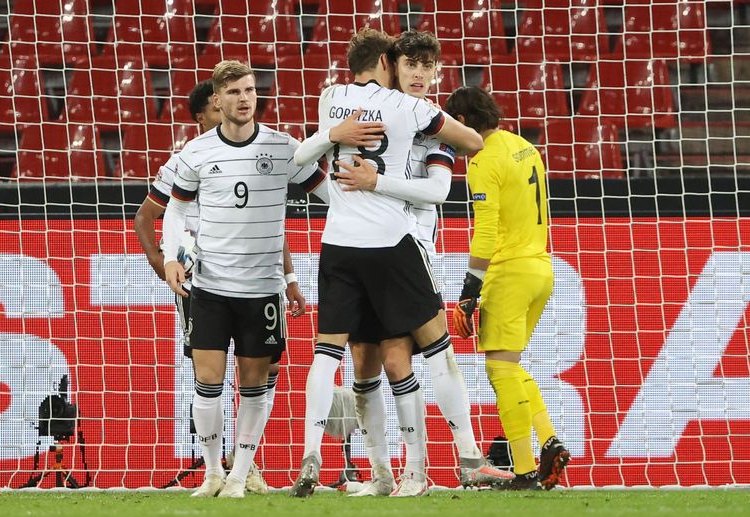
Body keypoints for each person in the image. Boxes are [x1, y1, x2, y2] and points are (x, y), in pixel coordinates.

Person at [291, 29, 514, 497]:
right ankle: (385, 473)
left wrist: (373, 182)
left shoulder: (414, 121)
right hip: (381, 248)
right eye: (409, 64)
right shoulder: (404, 112)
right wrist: (348, 192)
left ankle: (452, 461)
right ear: (392, 65)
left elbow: (436, 190)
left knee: (415, 356)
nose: (417, 73)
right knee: (372, 364)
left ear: (436, 73)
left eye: (426, 67)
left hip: (405, 248)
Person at [162, 60, 328, 498]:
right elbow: (175, 210)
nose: (244, 99)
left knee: (255, 385)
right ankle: (214, 472)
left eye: (250, 91)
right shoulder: (196, 152)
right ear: (217, 99)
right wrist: (171, 258)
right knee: (208, 384)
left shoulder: (284, 149)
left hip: (262, 290)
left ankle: (241, 474)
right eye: (234, 92)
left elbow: (329, 194)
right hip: (211, 287)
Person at [444, 86, 570, 490]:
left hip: (510, 272)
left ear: (462, 123)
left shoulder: (483, 160)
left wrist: (469, 289)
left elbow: (485, 231)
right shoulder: (524, 147)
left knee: (499, 369)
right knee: (511, 367)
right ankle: (548, 441)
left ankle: (523, 469)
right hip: (540, 267)